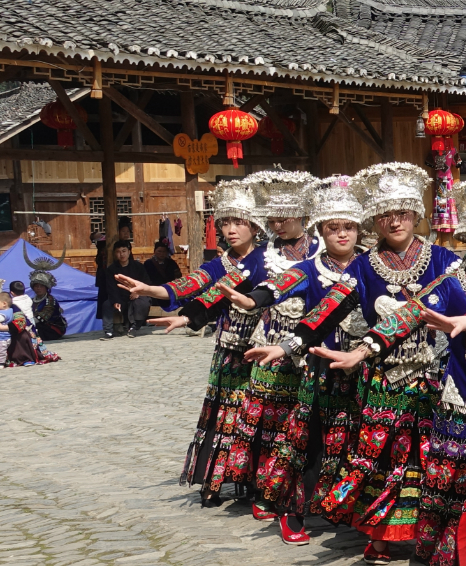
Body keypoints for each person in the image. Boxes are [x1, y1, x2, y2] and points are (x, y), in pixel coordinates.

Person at [321, 177, 466, 566]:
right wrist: (364, 349)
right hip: (459, 396)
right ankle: (457, 564)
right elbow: (409, 313)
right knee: (454, 485)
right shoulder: (452, 280)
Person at [311, 162, 460, 564]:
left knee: (436, 454)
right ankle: (380, 535)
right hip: (385, 373)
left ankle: (433, 537)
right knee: (382, 452)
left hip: (436, 372)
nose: (395, 221)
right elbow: (328, 307)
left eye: (403, 213)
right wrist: (292, 341)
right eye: (385, 215)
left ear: (416, 215)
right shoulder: (362, 266)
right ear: (374, 220)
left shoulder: (445, 260)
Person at [118, 178, 269, 507]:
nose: (231, 229)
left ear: (255, 226)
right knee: (225, 414)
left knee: (264, 415)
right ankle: (214, 481)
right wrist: (151, 291)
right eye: (225, 222)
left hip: (270, 350)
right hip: (232, 349)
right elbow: (192, 285)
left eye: (239, 222)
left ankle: (262, 482)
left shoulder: (271, 260)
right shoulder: (221, 264)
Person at [242, 176, 374, 544]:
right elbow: (275, 287)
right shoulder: (311, 269)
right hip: (319, 369)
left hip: (363, 367)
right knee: (310, 443)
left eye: (349, 227)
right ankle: (292, 513)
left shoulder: (369, 266)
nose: (343, 235)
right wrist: (252, 300)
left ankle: (349, 512)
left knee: (359, 442)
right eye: (334, 228)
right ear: (321, 230)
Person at [227, 173, 317, 522]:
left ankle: (308, 491)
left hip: (311, 344)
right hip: (270, 343)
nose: (278, 225)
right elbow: (218, 281)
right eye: (273, 219)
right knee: (270, 421)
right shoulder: (262, 254)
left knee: (307, 422)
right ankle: (267, 490)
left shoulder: (322, 249)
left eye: (286, 218)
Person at [102, 239, 151, 337]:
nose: (122, 254)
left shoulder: (138, 267)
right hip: (120, 296)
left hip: (136, 294)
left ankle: (134, 327)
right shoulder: (112, 269)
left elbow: (146, 282)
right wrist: (115, 300)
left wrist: (138, 292)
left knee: (143, 303)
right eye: (118, 252)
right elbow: (111, 287)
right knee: (107, 304)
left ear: (129, 252)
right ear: (115, 254)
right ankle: (108, 331)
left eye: (124, 251)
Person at [28, 270, 67, 341]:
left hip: (52, 329)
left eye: (41, 286)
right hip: (37, 326)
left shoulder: (50, 300)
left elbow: (43, 318)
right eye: (36, 286)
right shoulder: (31, 300)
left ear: (46, 288)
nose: (38, 288)